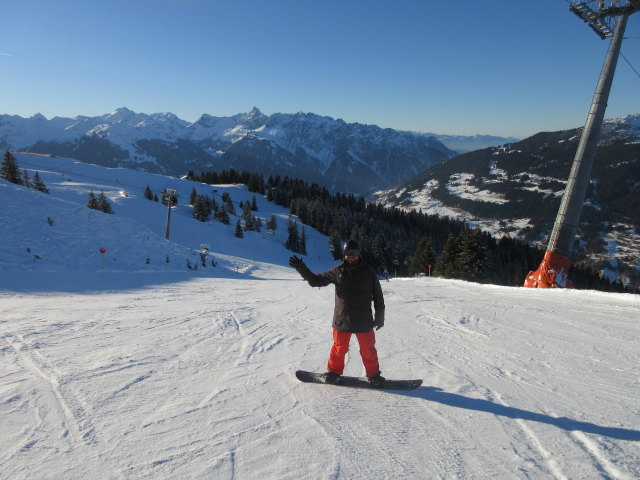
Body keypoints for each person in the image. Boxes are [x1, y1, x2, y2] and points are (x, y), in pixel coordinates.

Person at [289, 239, 386, 387]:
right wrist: (301, 268)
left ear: (359, 254)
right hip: (342, 319)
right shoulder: (337, 271)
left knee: (368, 350)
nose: (351, 256)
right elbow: (316, 280)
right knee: (339, 349)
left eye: (354, 253)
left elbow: (378, 295)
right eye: (348, 253)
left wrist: (380, 316)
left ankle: (374, 376)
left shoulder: (369, 272)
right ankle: (333, 372)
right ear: (344, 255)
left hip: (363, 320)